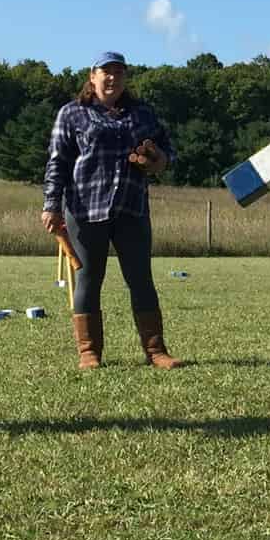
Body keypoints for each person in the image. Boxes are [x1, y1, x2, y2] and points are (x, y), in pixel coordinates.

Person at [41, 51, 184, 369]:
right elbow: (57, 162)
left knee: (141, 279)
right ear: (92, 76)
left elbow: (168, 151)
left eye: (119, 73)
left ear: (125, 79)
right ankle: (89, 352)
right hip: (84, 209)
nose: (112, 78)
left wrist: (159, 159)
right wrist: (51, 206)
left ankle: (156, 352)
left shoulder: (143, 113)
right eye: (106, 72)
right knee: (89, 279)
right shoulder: (72, 113)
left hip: (131, 208)